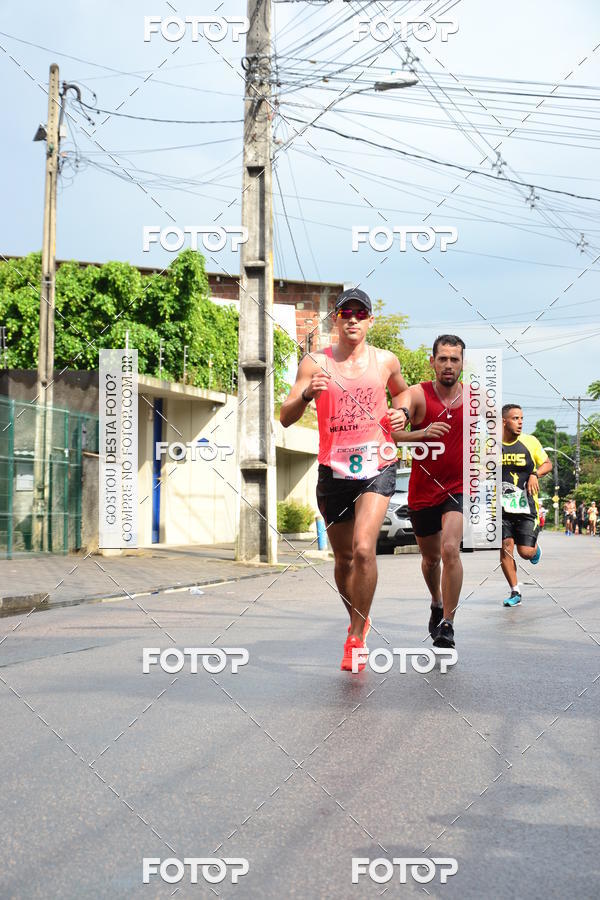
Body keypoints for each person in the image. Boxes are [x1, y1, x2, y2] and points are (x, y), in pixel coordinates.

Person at [279, 288, 408, 672]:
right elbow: (285, 416)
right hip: (333, 468)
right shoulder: (315, 363)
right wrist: (305, 394)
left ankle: (355, 636)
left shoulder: (386, 361)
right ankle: (360, 616)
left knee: (365, 549)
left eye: (360, 313)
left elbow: (403, 396)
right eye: (345, 312)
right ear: (336, 319)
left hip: (377, 463)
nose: (352, 319)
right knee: (344, 558)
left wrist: (401, 415)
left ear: (370, 321)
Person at [393, 335, 465, 650]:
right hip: (422, 492)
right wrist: (420, 431)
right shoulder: (418, 394)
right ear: (432, 361)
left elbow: (493, 436)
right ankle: (436, 602)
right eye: (443, 359)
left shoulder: (476, 398)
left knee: (451, 550)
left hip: (458, 488)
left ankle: (448, 622)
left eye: (455, 359)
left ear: (462, 363)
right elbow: (393, 429)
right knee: (430, 559)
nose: (448, 365)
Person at [500, 405, 552, 606]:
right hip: (501, 507)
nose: (520, 422)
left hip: (526, 505)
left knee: (525, 552)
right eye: (515, 418)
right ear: (504, 421)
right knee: (506, 547)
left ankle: (534, 549)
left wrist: (535, 474)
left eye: (522, 418)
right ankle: (515, 592)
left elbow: (547, 463)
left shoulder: (530, 442)